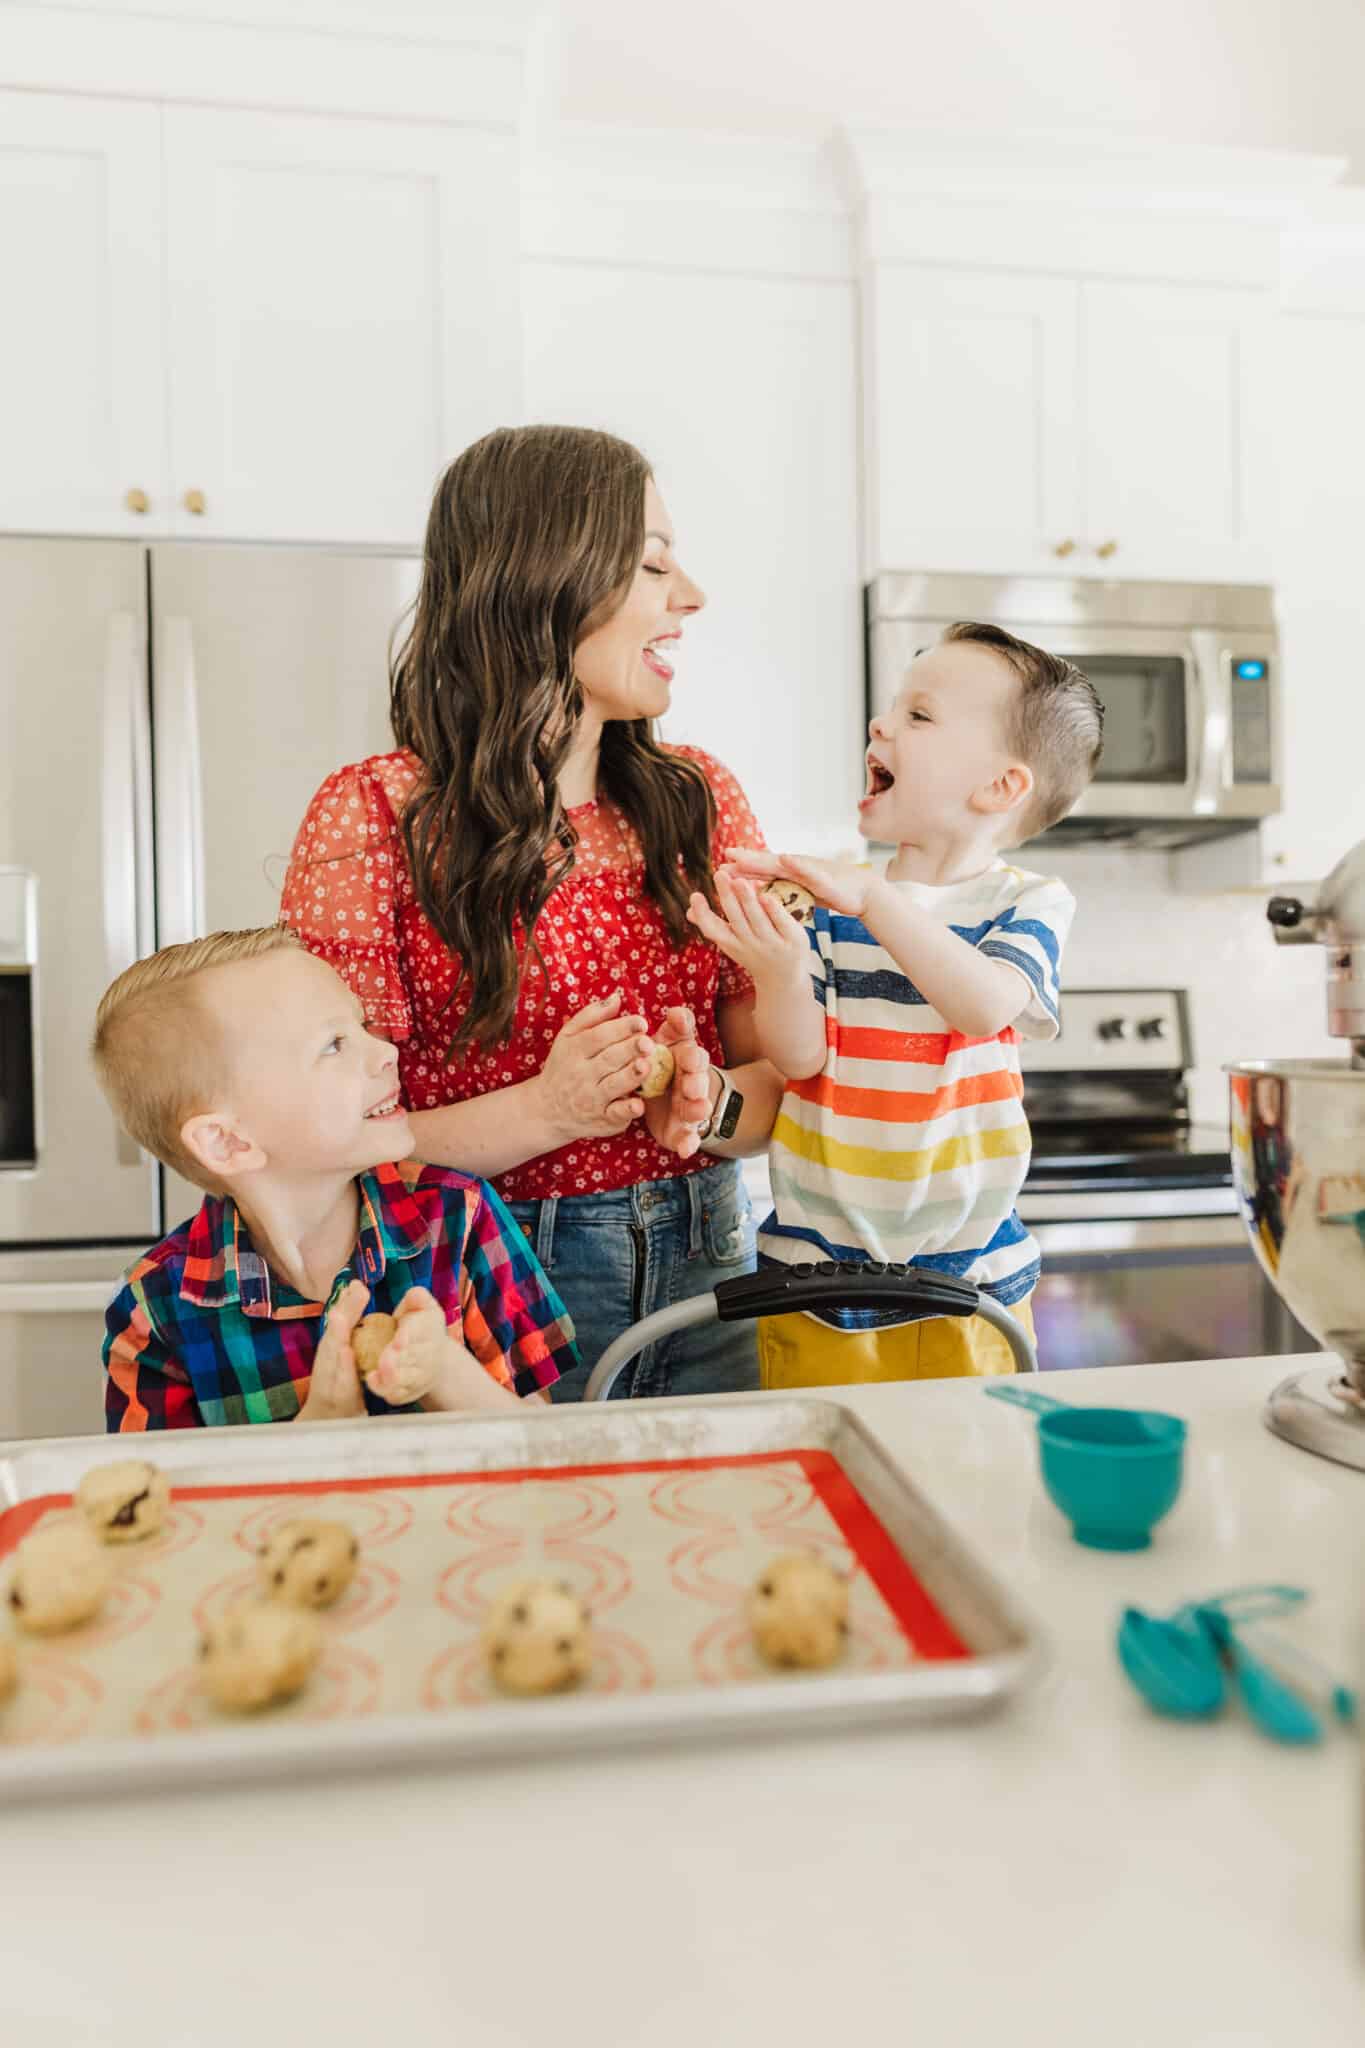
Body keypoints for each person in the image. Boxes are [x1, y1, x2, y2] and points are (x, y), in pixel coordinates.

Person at [281, 425, 782, 1402]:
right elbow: (326, 1130)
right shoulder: (377, 816)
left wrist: (707, 1100)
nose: (691, 597)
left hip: (717, 1262)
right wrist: (543, 1110)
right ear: (543, 574)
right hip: (485, 1286)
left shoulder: (700, 798)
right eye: (651, 563)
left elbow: (779, 1083)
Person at [687, 621, 1103, 1386]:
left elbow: (982, 1006)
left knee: (967, 1472)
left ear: (1000, 787)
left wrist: (875, 898)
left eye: (918, 716)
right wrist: (778, 966)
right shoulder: (835, 901)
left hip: (971, 1278)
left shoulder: (1029, 902)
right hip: (816, 1274)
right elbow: (802, 1056)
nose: (880, 724)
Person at [92, 927, 577, 1430]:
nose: (385, 1052)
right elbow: (168, 1503)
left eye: (363, 1025)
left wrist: (442, 1374)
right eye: (334, 1044)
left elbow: (539, 1446)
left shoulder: (461, 1217)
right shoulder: (152, 1312)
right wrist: (317, 1429)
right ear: (228, 1142)